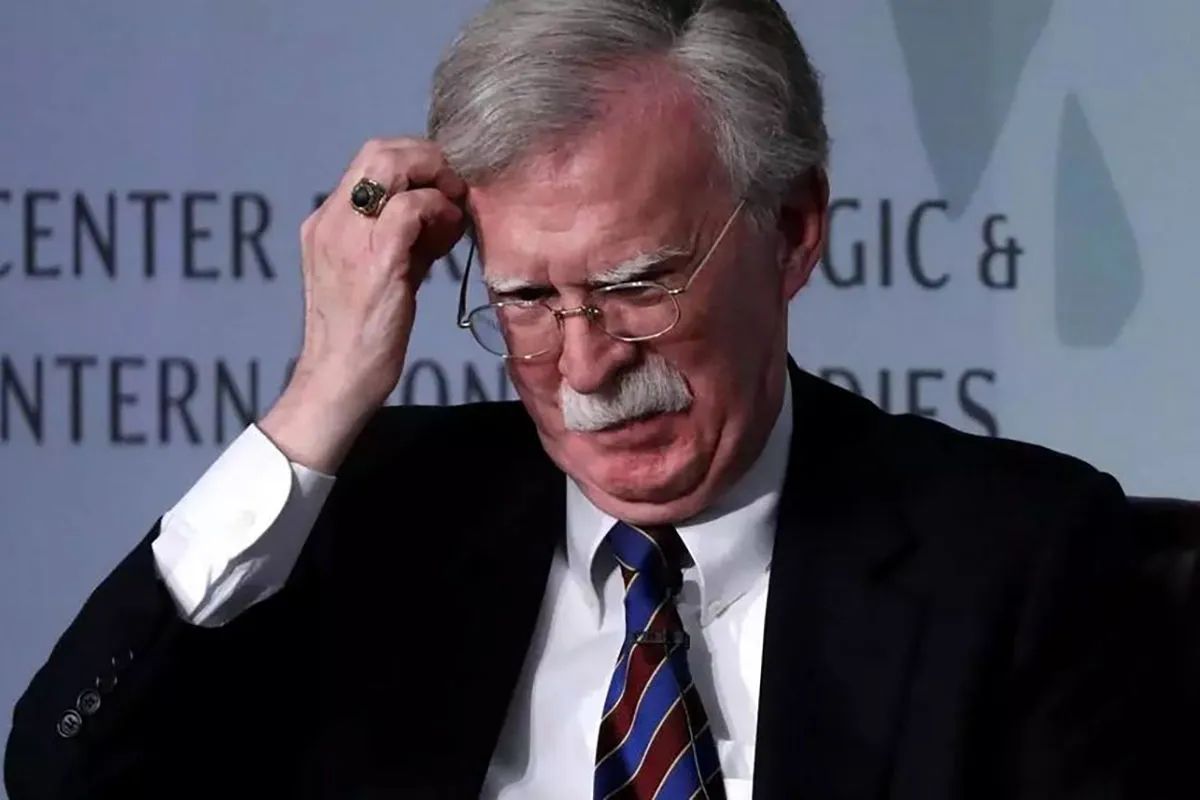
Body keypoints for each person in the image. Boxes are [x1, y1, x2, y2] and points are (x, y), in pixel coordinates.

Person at [5, 0, 1198, 797]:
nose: (583, 368)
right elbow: (67, 771)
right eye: (526, 297)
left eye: (638, 285)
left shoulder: (1022, 556)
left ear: (791, 232)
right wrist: (320, 396)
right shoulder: (374, 518)